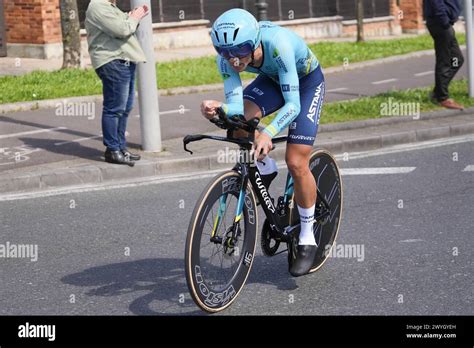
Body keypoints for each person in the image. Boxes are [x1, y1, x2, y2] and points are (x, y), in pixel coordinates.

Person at [201, 8, 325, 277]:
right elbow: (236, 107)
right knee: (236, 126)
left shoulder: (277, 45)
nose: (234, 60)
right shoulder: (227, 59)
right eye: (225, 52)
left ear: (255, 42)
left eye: (241, 49)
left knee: (296, 160)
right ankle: (265, 167)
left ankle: (307, 235)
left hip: (304, 84)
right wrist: (218, 108)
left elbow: (292, 106)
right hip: (271, 80)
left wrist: (268, 132)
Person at [85, 0, 148, 166]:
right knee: (114, 109)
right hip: (113, 61)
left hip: (124, 60)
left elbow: (124, 27)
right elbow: (122, 30)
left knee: (124, 108)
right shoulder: (98, 6)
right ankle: (112, 150)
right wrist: (134, 17)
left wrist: (132, 17)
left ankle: (120, 147)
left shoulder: (109, 7)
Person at [424, 0, 464, 109]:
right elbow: (436, 3)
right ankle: (442, 98)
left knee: (457, 60)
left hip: (444, 24)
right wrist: (444, 21)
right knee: (445, 61)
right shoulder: (442, 22)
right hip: (441, 25)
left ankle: (438, 92)